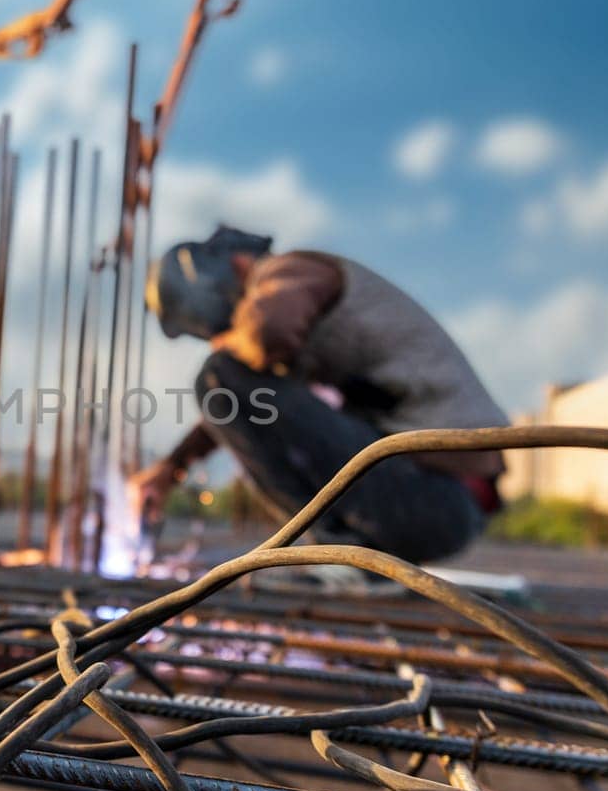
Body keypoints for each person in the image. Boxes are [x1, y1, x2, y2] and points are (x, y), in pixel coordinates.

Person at [132, 224, 507, 564]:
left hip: (438, 499)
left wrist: (228, 348)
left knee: (219, 375)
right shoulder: (292, 321)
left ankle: (337, 552)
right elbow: (240, 402)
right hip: (429, 501)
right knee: (227, 381)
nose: (221, 340)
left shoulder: (288, 271)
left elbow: (267, 335)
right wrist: (171, 468)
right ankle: (350, 559)